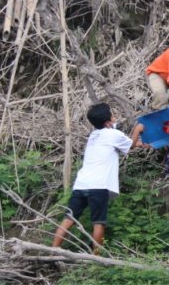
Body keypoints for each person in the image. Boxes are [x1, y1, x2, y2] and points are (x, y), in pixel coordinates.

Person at [52, 103, 144, 254]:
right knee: (99, 222)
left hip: (81, 184)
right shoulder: (113, 134)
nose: (114, 116)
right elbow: (129, 146)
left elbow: (128, 144)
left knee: (68, 219)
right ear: (108, 122)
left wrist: (139, 144)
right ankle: (96, 259)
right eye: (112, 114)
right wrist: (137, 130)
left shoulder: (94, 136)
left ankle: (53, 251)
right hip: (98, 185)